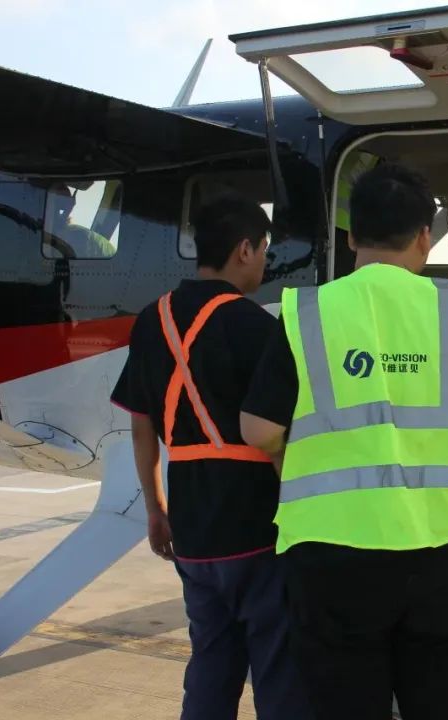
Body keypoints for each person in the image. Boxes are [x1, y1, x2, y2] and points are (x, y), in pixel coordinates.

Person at [239, 163, 448, 720]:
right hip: (439, 552)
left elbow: (259, 431)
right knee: (438, 706)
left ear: (351, 238)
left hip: (331, 554)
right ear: (424, 238)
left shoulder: (307, 311)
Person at [109, 193, 311, 720]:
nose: (264, 261)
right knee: (279, 670)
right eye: (263, 249)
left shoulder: (151, 321)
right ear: (244, 249)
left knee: (211, 666)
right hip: (256, 525)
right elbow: (277, 434)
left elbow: (141, 427)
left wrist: (156, 509)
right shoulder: (258, 328)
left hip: (192, 529)